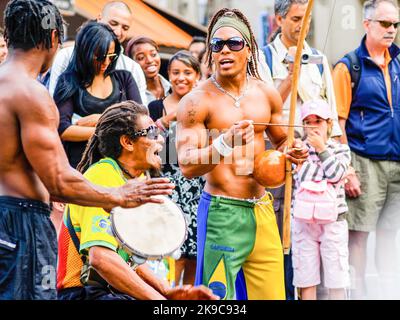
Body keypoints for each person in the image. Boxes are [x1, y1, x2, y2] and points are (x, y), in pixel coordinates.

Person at [0, 0, 174, 300]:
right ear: (54, 38)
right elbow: (58, 181)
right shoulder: (31, 94)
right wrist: (117, 195)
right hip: (21, 222)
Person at [176, 8, 308, 300]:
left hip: (262, 208)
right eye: (217, 44)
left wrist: (294, 150)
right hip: (222, 213)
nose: (225, 50)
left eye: (234, 43)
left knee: (273, 295)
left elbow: (283, 138)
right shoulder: (196, 101)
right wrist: (225, 142)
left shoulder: (266, 93)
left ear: (248, 49)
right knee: (215, 298)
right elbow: (186, 165)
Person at [57, 101, 218, 301]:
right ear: (128, 142)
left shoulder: (139, 179)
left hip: (112, 291)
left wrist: (166, 291)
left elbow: (129, 257)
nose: (161, 139)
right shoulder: (102, 175)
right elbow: (101, 258)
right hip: (82, 292)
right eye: (152, 134)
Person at [332, 0, 400, 299]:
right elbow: (337, 124)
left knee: (390, 235)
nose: (392, 30)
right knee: (358, 235)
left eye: (396, 24)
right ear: (367, 24)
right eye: (385, 24)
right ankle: (358, 293)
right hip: (364, 161)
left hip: (396, 161)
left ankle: (388, 290)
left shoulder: (398, 63)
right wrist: (347, 170)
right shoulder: (348, 67)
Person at [54, 21, 142, 169]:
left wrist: (99, 119)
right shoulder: (69, 80)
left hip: (122, 168)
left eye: (111, 56)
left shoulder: (124, 79)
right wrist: (111, 130)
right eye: (100, 57)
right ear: (85, 53)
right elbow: (63, 130)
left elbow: (140, 120)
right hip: (82, 167)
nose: (106, 63)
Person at [149, 51, 202, 285]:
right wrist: (174, 115)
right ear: (168, 75)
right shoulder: (155, 107)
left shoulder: (204, 107)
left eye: (187, 73)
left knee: (194, 254)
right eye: (176, 73)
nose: (181, 78)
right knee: (172, 252)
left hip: (198, 187)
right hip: (167, 187)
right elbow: (148, 140)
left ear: (197, 75)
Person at [291, 99, 351, 300]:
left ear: (329, 124)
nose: (313, 126)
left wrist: (322, 150)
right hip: (303, 221)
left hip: (333, 221)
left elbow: (334, 174)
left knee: (337, 275)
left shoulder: (341, 149)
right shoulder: (297, 150)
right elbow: (303, 176)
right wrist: (328, 174)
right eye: (308, 121)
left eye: (319, 121)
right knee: (306, 276)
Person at [48, 1, 147, 104]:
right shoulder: (66, 56)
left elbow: (142, 114)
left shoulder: (132, 68)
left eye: (125, 28)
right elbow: (53, 103)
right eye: (113, 23)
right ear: (99, 18)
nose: (118, 32)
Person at [125, 36, 171, 105]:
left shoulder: (173, 88)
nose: (149, 60)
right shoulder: (130, 95)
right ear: (132, 63)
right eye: (141, 58)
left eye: (153, 54)